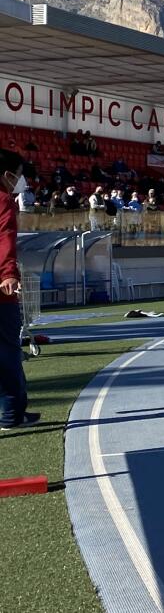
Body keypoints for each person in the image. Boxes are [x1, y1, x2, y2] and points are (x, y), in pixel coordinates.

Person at [0, 150, 39, 431]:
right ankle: (12, 414)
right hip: (0, 293)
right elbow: (5, 237)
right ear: (7, 175)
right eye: (19, 173)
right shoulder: (3, 200)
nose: (21, 180)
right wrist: (8, 273)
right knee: (7, 351)